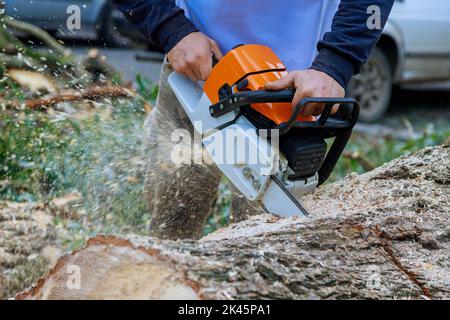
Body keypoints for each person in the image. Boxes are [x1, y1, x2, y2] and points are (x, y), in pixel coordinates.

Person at [112, 0, 394, 240]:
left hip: (294, 84)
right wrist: (170, 28)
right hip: (195, 61)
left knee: (266, 239)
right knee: (172, 217)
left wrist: (335, 64)